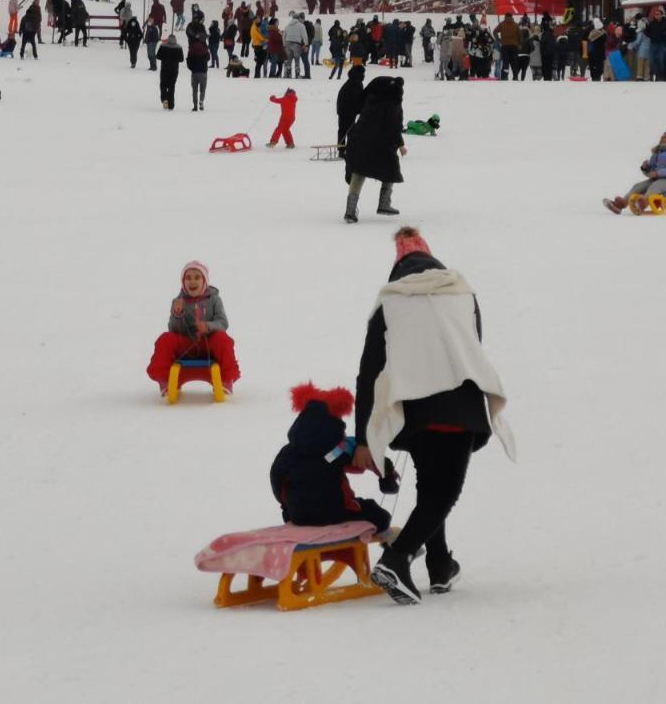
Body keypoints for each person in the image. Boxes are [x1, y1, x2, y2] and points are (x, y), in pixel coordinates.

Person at [353, 227, 514, 603]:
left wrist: (364, 436)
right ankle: (398, 558)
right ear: (432, 259)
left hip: (415, 409)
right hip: (460, 402)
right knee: (443, 494)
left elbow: (369, 370)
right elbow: (472, 344)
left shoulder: (389, 302)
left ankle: (440, 565)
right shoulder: (461, 293)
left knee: (430, 489)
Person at [270, 382, 396, 531]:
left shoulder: (288, 452)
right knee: (379, 516)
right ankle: (393, 547)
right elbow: (366, 459)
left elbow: (276, 479)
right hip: (336, 512)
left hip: (299, 516)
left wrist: (287, 509)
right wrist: (387, 473)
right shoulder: (338, 448)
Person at [146, 260, 240, 395]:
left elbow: (223, 323)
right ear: (183, 282)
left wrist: (208, 326)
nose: (192, 282)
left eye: (197, 277)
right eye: (188, 278)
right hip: (186, 344)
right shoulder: (178, 301)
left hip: (208, 344)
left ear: (204, 281)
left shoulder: (214, 299)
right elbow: (172, 328)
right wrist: (177, 314)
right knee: (165, 339)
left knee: (223, 339)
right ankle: (165, 379)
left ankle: (226, 379)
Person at [342, 76, 405, 223]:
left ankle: (350, 211)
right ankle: (384, 203)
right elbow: (395, 126)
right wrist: (401, 145)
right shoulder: (394, 104)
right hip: (381, 144)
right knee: (391, 170)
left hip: (359, 140)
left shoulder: (370, 100)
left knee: (359, 171)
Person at [603, 132, 666, 215]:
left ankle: (642, 204)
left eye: (665, 137)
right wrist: (646, 168)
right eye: (662, 137)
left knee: (655, 186)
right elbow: (651, 170)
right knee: (638, 186)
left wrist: (657, 173)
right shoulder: (657, 153)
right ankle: (620, 205)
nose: (662, 138)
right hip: (655, 179)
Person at [336, 64, 366, 157]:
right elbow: (357, 99)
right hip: (349, 110)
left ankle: (342, 149)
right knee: (351, 130)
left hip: (342, 109)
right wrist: (360, 109)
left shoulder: (350, 81)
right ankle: (350, 150)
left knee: (342, 129)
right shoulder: (357, 83)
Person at [157, 34, 184, 110]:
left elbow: (158, 56)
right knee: (172, 86)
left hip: (164, 69)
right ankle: (171, 104)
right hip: (174, 70)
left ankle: (164, 99)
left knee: (163, 85)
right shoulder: (179, 47)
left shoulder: (163, 46)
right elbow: (181, 59)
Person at [187, 37, 209, 111]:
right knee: (203, 89)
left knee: (194, 90)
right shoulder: (204, 48)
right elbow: (208, 58)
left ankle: (195, 105)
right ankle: (201, 101)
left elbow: (188, 59)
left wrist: (191, 68)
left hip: (194, 72)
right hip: (203, 72)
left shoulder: (192, 48)